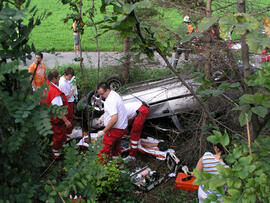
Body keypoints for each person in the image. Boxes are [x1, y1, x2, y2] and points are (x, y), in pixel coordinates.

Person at [96, 82, 128, 162]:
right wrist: (104, 116)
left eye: (102, 94)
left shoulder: (110, 100)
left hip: (115, 129)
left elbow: (114, 118)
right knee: (115, 148)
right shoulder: (114, 94)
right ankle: (117, 164)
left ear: (107, 90)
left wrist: (104, 131)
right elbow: (114, 110)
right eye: (99, 94)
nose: (101, 96)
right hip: (122, 127)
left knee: (104, 149)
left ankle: (100, 169)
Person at [44, 70, 71, 159]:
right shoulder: (55, 92)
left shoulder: (47, 86)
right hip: (56, 119)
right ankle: (56, 154)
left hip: (48, 116)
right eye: (58, 77)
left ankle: (56, 149)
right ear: (54, 79)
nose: (60, 78)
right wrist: (66, 121)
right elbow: (58, 110)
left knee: (56, 135)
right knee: (58, 135)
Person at [59, 67, 77, 136]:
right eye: (69, 77)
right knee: (69, 118)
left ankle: (68, 132)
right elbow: (66, 97)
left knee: (70, 117)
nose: (70, 78)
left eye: (71, 77)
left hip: (70, 101)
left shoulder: (66, 80)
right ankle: (68, 133)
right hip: (67, 103)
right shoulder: (63, 84)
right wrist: (72, 90)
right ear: (65, 74)